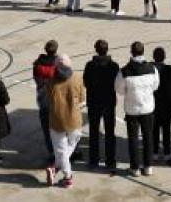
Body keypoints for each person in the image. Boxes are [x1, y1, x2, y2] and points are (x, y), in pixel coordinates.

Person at [116, 41, 160, 176]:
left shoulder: (124, 71)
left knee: (133, 138)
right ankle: (148, 166)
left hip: (132, 109)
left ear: (131, 52)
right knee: (148, 137)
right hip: (147, 108)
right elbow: (155, 86)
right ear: (143, 52)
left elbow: (120, 90)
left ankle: (134, 168)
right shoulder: (152, 69)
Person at [46, 53, 85, 187]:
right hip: (74, 118)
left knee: (61, 149)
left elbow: (49, 99)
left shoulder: (50, 80)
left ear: (56, 65)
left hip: (56, 119)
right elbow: (81, 99)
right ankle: (67, 176)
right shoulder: (77, 78)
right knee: (73, 141)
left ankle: (57, 168)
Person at [83, 39, 120, 170]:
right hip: (109, 102)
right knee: (110, 132)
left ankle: (94, 160)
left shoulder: (90, 65)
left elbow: (86, 83)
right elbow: (117, 84)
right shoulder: (114, 66)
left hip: (94, 102)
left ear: (96, 50)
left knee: (94, 131)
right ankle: (110, 160)